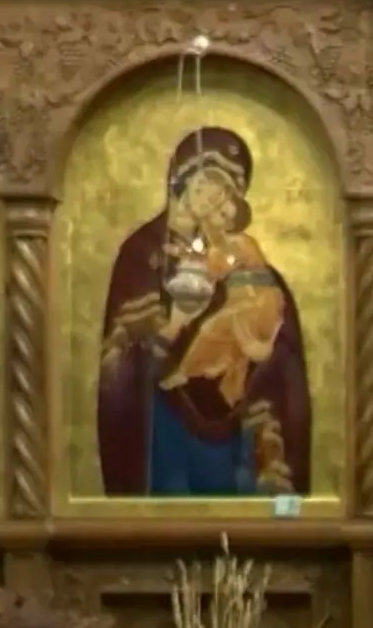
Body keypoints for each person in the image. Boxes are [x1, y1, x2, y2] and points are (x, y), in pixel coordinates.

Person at [96, 127, 312, 497]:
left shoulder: (241, 260)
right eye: (211, 180)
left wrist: (263, 347)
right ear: (182, 175)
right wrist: (171, 326)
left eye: (229, 192)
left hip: (233, 431)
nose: (216, 196)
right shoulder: (142, 254)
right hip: (165, 425)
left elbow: (282, 357)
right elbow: (120, 371)